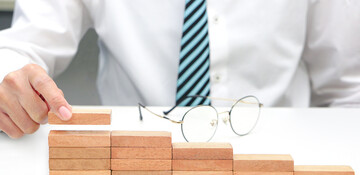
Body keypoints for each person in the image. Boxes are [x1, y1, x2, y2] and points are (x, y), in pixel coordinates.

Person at [0, 0, 359, 139]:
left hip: (276, 167)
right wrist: (10, 77)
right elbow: (21, 45)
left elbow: (350, 89)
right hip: (135, 171)